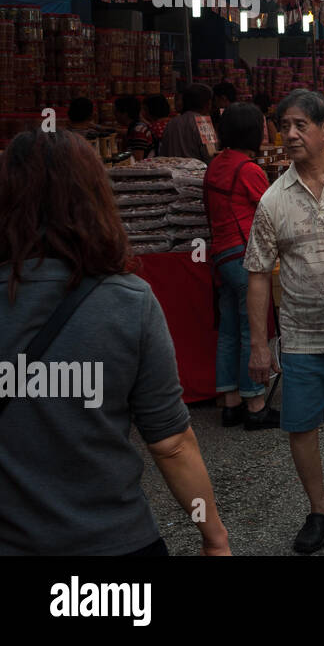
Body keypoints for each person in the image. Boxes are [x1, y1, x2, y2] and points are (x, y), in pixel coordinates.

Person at [0, 129, 230, 555]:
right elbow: (172, 444)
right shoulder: (128, 300)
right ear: (95, 198)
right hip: (113, 541)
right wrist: (213, 534)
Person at [244, 90, 324, 554]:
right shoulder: (273, 199)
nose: (289, 135)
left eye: (300, 126)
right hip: (302, 335)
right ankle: (320, 511)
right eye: (283, 126)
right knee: (300, 426)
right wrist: (258, 345)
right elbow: (256, 275)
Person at [203, 102, 277, 430]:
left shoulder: (216, 163)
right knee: (252, 328)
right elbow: (270, 211)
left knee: (229, 330)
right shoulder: (247, 169)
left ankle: (230, 402)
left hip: (220, 255)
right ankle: (255, 404)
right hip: (244, 254)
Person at [159, 82, 215, 162]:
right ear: (208, 103)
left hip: (172, 172)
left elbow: (163, 153)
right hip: (198, 173)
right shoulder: (204, 124)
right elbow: (211, 156)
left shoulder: (172, 122)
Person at [115, 95, 154, 160]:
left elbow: (137, 160)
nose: (114, 114)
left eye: (116, 111)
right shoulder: (135, 128)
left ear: (125, 113)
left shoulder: (138, 131)